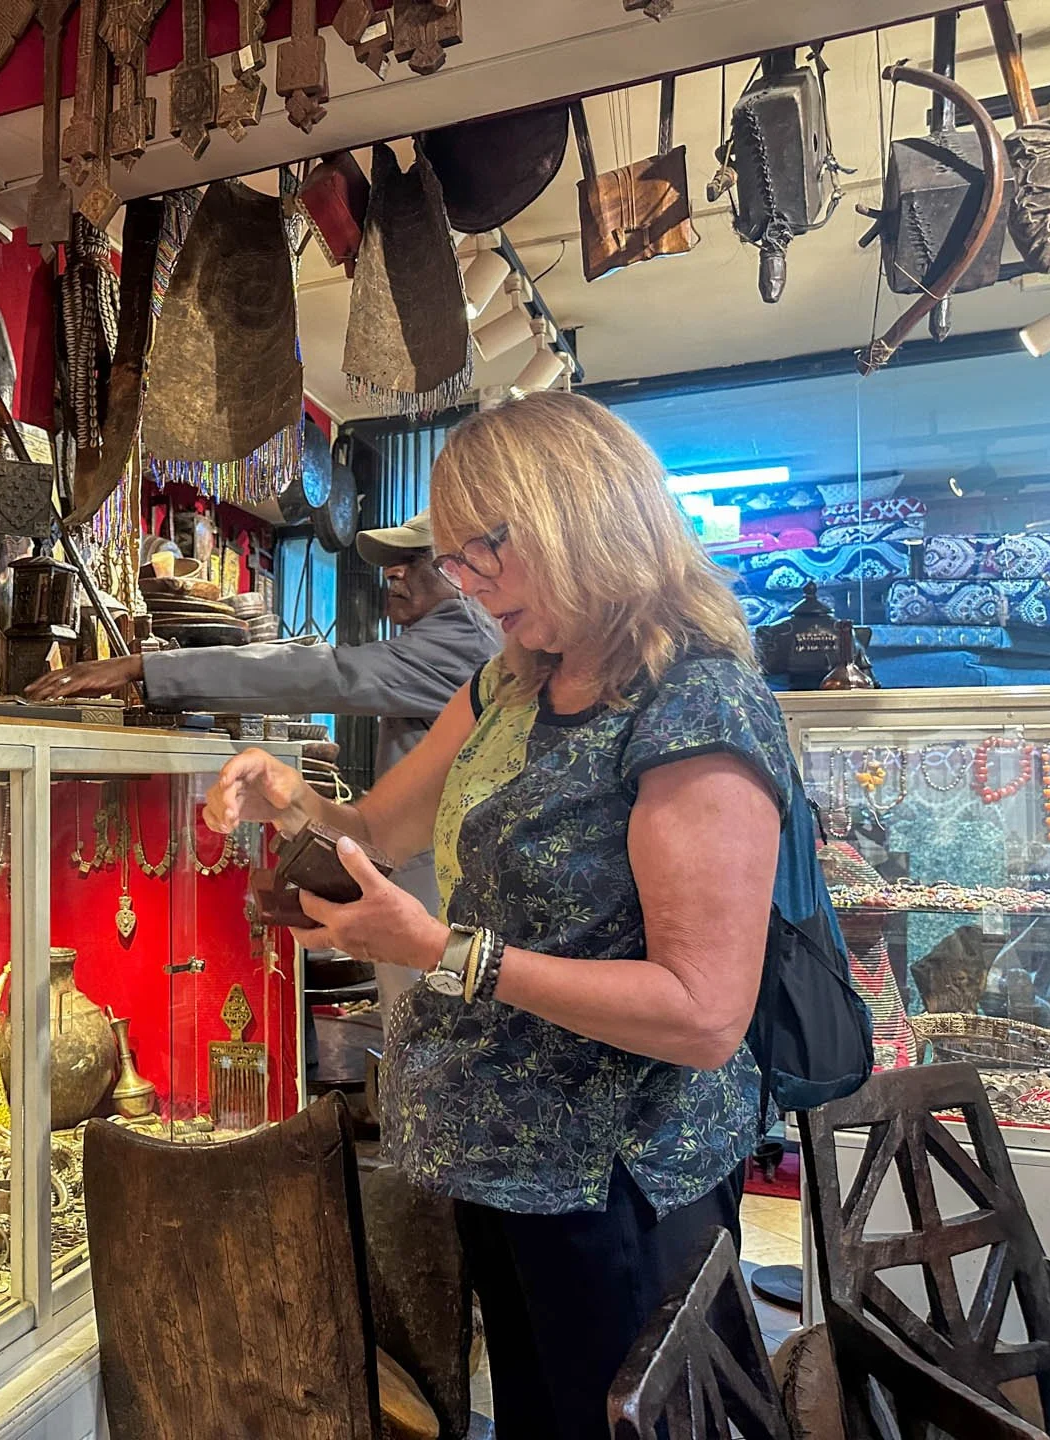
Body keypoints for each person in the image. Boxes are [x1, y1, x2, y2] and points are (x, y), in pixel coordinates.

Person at [202, 391, 792, 1440]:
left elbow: (704, 1013)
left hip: (617, 1179)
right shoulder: (510, 686)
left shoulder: (695, 705)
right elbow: (380, 828)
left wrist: (443, 954)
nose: (466, 585)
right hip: (502, 1166)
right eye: (457, 560)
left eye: (486, 553)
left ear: (581, 516)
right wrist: (293, 799)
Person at [26, 513, 498, 1005]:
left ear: (457, 568)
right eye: (390, 563)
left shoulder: (464, 637)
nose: (393, 573)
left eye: (412, 559)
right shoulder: (459, 643)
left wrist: (148, 667)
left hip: (445, 913)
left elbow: (324, 674)